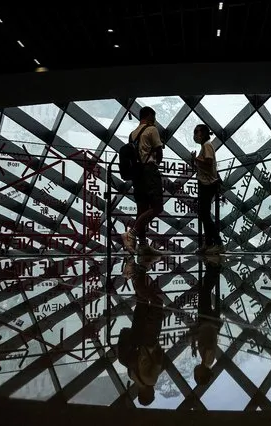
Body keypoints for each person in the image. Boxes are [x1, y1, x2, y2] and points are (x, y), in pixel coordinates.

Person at [117, 255, 164, 406]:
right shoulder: (132, 375)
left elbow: (158, 361)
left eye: (152, 394)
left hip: (149, 337)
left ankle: (138, 271)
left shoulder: (151, 380)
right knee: (142, 301)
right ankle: (135, 271)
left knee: (157, 302)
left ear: (149, 394)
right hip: (136, 332)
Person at [122, 106, 164, 256]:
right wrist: (156, 160)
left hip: (137, 174)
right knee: (157, 206)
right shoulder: (152, 130)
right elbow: (159, 153)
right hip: (149, 171)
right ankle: (131, 233)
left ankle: (143, 245)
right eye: (154, 116)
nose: (155, 119)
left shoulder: (132, 134)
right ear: (149, 116)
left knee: (142, 208)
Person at [189, 255, 223, 385]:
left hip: (208, 322)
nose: (195, 373)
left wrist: (194, 341)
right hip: (207, 321)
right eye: (197, 375)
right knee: (205, 291)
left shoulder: (207, 361)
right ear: (202, 375)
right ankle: (214, 268)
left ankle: (213, 268)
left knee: (205, 291)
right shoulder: (208, 361)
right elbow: (208, 341)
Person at [191, 124, 225, 254]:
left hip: (208, 184)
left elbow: (209, 162)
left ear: (204, 133)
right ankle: (209, 243)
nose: (195, 135)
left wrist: (196, 159)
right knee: (204, 215)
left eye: (197, 132)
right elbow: (204, 165)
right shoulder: (205, 147)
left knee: (205, 215)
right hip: (206, 183)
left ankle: (217, 243)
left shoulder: (206, 146)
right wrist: (195, 160)